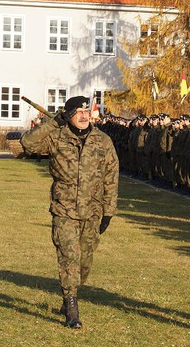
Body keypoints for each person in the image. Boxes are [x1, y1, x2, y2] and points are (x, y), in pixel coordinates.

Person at [21, 96, 119, 329]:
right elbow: (29, 143)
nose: (84, 116)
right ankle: (71, 305)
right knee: (69, 258)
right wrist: (54, 123)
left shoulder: (102, 141)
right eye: (78, 112)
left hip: (93, 211)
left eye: (87, 111)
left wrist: (109, 211)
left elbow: (111, 176)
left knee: (84, 262)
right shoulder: (56, 138)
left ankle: (71, 292)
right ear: (69, 115)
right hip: (64, 210)